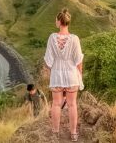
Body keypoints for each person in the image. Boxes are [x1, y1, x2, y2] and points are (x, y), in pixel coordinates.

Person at [44, 8, 84, 142]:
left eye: (56, 20)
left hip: (57, 74)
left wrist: (52, 75)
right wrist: (80, 76)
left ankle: (55, 133)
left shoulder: (52, 37)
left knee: (56, 104)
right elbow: (79, 60)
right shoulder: (75, 39)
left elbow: (48, 61)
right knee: (72, 105)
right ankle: (73, 134)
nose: (55, 22)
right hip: (71, 74)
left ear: (59, 21)